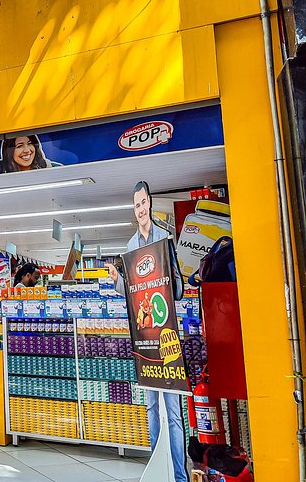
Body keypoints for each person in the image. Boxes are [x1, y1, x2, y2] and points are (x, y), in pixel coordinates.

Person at [105, 181, 187, 482]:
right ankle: (159, 470)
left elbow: (176, 290)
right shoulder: (129, 248)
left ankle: (179, 476)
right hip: (143, 339)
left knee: (174, 413)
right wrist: (117, 280)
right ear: (134, 209)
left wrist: (169, 273)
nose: (141, 209)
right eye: (136, 205)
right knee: (152, 406)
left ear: (150, 203)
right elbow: (132, 293)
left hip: (166, 339)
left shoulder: (165, 238)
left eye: (143, 203)